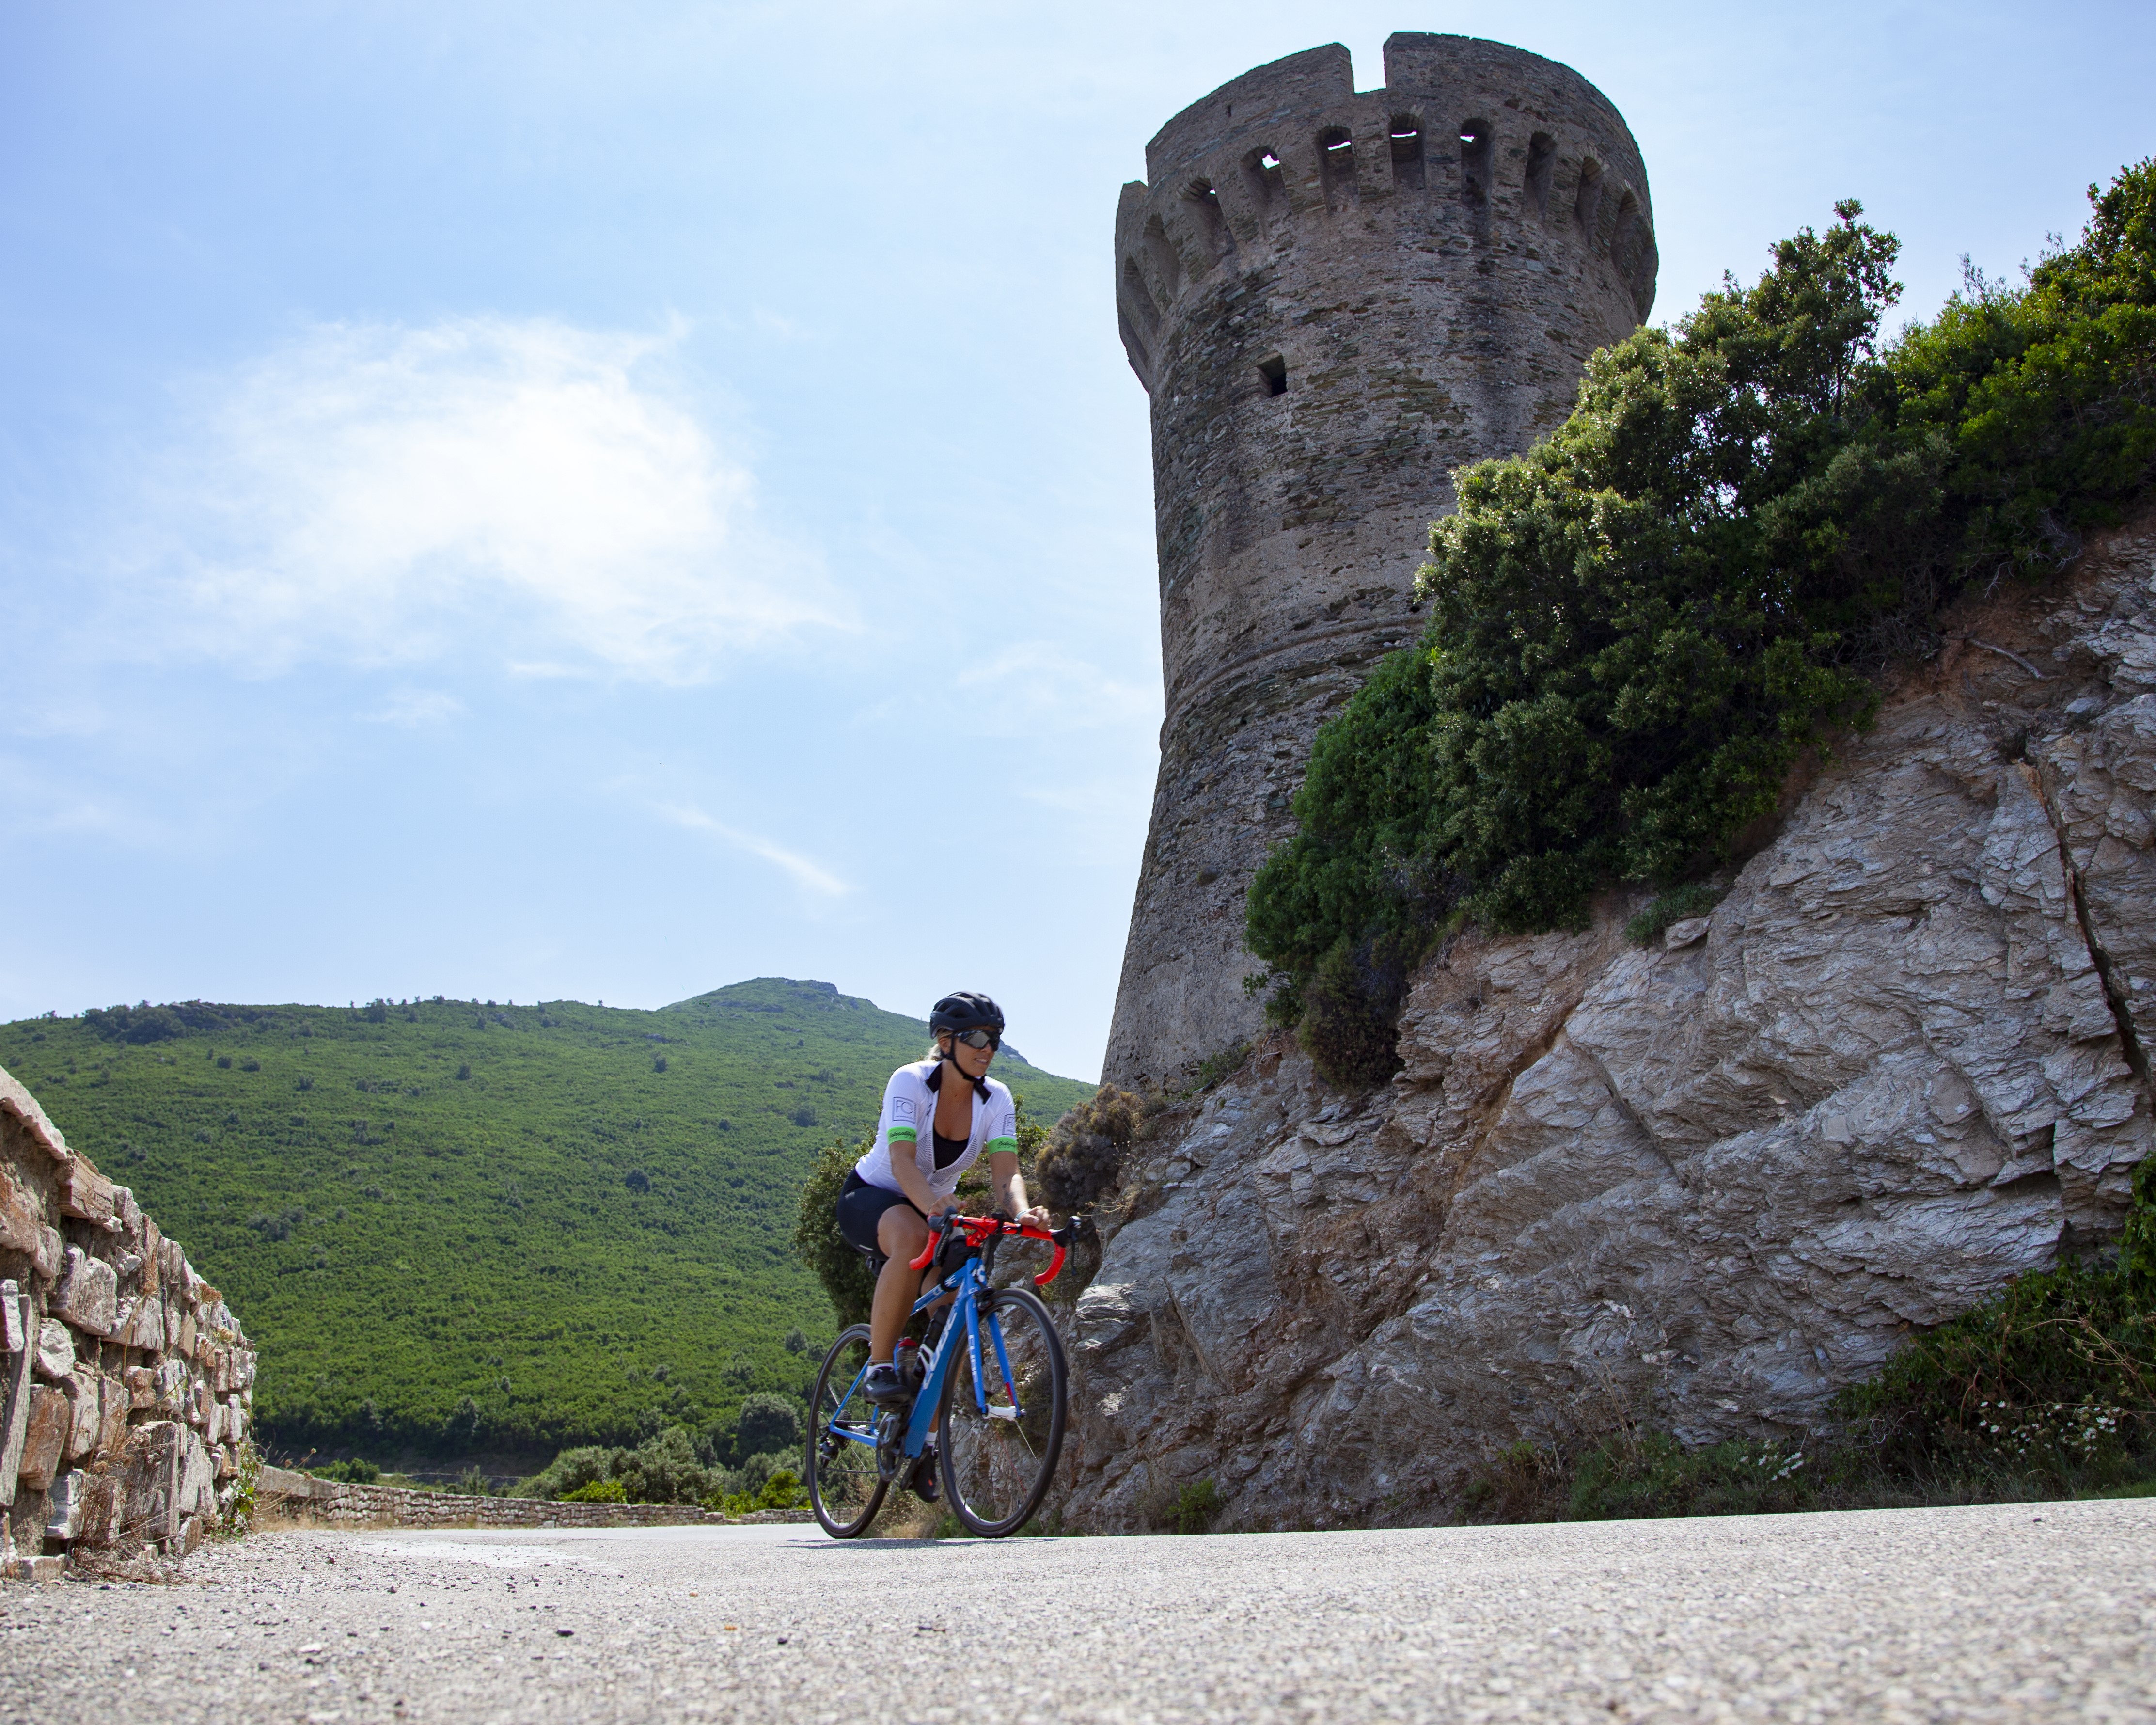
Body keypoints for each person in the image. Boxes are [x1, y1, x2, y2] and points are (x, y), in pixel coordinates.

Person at [835, 991, 1048, 1409]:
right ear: (946, 1040)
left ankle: (926, 1449)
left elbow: (1006, 1174)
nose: (986, 1049)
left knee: (953, 1306)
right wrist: (933, 1203)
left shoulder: (997, 1099)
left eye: (994, 1039)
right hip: (872, 1195)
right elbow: (901, 1161)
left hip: (931, 1208)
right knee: (912, 1235)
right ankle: (880, 1365)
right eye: (975, 1038)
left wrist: (1023, 1212)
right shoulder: (910, 1081)